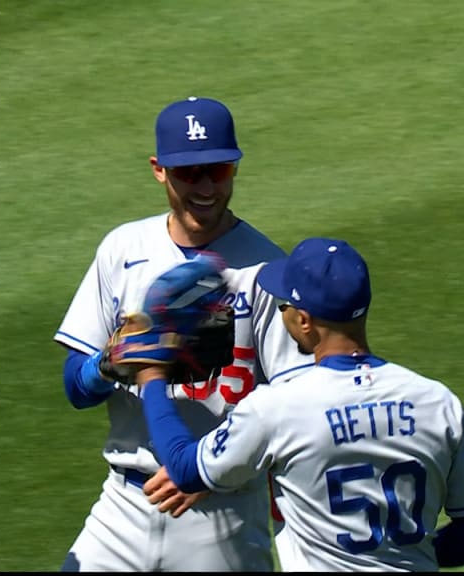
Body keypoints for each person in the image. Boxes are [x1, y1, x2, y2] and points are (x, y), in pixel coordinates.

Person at [135, 237, 464, 572]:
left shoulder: (277, 408)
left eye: (284, 306)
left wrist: (151, 376)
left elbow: (184, 468)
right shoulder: (436, 401)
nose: (282, 315)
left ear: (305, 321)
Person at [53, 96, 314, 572]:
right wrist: (105, 365)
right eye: (189, 173)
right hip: (125, 505)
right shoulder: (123, 248)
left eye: (217, 170)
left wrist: (209, 470)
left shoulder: (268, 269)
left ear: (234, 167)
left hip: (222, 514)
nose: (206, 187)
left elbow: (294, 406)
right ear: (159, 170)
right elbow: (74, 386)